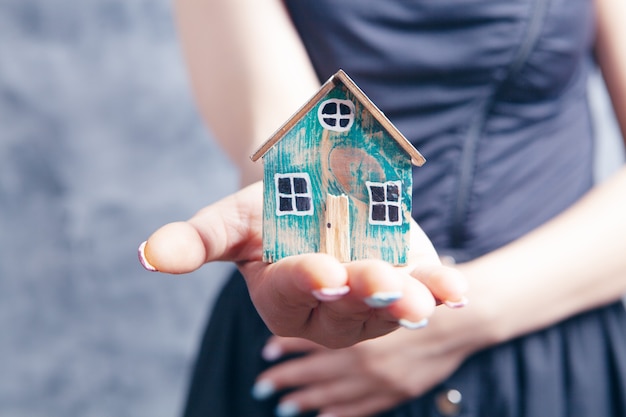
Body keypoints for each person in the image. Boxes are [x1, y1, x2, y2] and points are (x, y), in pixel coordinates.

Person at [139, 0, 626, 416]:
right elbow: (288, 132)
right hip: (314, 338)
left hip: (553, 334)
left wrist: (459, 320)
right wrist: (315, 237)